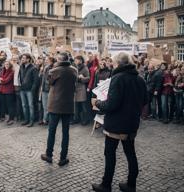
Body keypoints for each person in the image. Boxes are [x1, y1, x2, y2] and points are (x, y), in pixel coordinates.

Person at [91, 52, 148, 192]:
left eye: (113, 62)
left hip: (116, 124)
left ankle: (106, 185)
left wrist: (97, 103)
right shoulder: (139, 79)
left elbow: (111, 105)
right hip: (131, 123)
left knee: (110, 154)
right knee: (130, 153)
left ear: (117, 63)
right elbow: (145, 101)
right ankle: (131, 184)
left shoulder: (117, 78)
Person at [41, 52, 77, 166]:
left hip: (55, 105)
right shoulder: (74, 70)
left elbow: (49, 82)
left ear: (59, 60)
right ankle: (63, 158)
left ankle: (49, 155)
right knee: (65, 132)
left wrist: (49, 69)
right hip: (68, 104)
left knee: (52, 131)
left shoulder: (55, 70)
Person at [19, 53, 39, 127]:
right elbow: (20, 78)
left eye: (24, 58)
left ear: (28, 59)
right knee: (24, 105)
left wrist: (32, 90)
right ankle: (26, 120)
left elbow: (36, 81)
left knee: (31, 106)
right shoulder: (21, 67)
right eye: (22, 58)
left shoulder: (33, 68)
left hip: (29, 90)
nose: (22, 59)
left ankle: (31, 121)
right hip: (22, 89)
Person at [73, 55, 90, 125]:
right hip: (75, 88)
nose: (75, 61)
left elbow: (88, 78)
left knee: (84, 106)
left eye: (76, 60)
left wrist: (81, 78)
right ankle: (76, 119)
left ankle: (85, 120)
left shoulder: (85, 68)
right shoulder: (75, 67)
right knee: (76, 106)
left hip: (82, 88)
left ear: (80, 60)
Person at [0, 60, 16, 125]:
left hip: (9, 90)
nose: (6, 65)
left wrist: (1, 80)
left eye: (8, 64)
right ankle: (7, 117)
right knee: (4, 105)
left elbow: (6, 80)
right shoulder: (2, 70)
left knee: (10, 105)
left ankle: (11, 118)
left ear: (10, 65)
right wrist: (1, 79)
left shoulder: (12, 72)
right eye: (5, 64)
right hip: (2, 90)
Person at [39, 56, 55, 126]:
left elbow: (51, 79)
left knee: (50, 106)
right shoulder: (44, 68)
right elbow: (40, 77)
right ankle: (45, 119)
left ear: (51, 61)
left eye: (47, 60)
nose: (45, 61)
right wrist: (41, 71)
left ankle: (49, 120)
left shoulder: (53, 68)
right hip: (44, 89)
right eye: (45, 60)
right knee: (44, 106)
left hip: (49, 89)